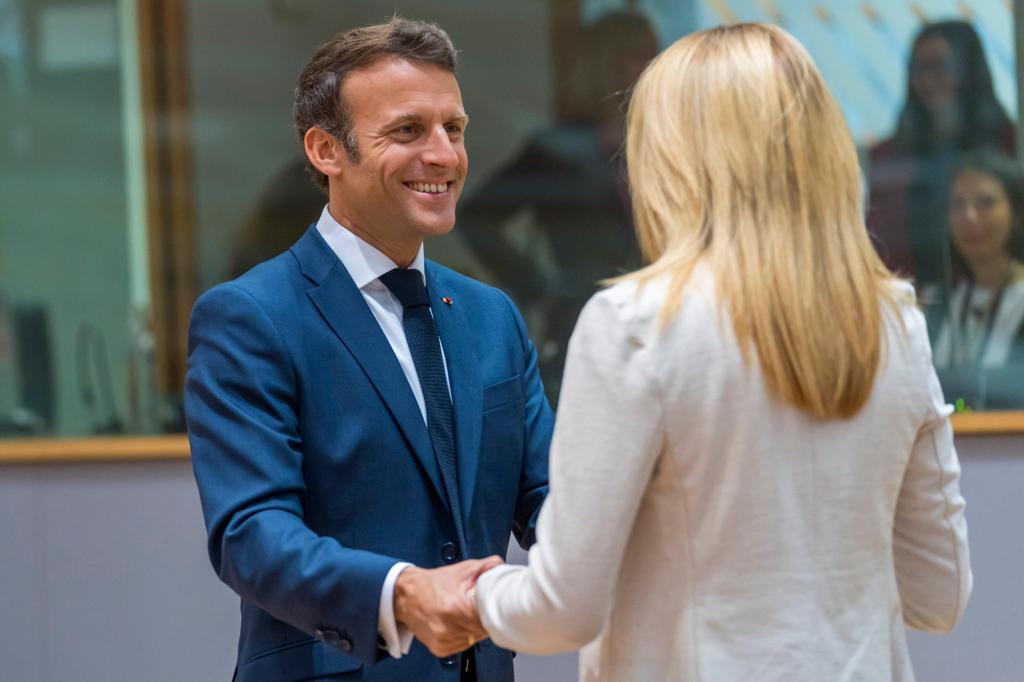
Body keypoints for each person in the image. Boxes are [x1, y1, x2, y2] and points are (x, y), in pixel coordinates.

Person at [466, 23, 971, 680]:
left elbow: (563, 609)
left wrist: (470, 593)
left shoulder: (636, 322)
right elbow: (939, 596)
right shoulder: (895, 322)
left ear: (669, 155)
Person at [185, 17, 552, 682]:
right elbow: (252, 534)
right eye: (408, 131)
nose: (444, 155)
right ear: (327, 151)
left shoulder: (491, 316)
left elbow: (550, 494)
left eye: (455, 129)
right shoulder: (250, 317)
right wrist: (403, 594)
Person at [457, 10, 658, 403]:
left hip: (655, 325)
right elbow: (477, 216)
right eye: (638, 54)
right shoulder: (559, 148)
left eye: (655, 54)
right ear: (605, 61)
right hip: (581, 323)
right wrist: (537, 289)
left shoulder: (661, 141)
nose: (650, 67)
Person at [868, 20, 1014, 296]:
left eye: (940, 67)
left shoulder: (1010, 145)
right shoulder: (887, 158)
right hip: (911, 303)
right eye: (919, 68)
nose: (927, 80)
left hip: (998, 303)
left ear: (968, 70)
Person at [933, 150, 1024, 408]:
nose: (969, 217)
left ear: (1017, 213)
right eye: (958, 205)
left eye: (985, 203)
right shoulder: (934, 306)